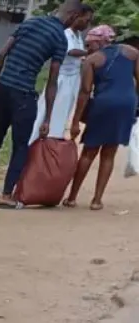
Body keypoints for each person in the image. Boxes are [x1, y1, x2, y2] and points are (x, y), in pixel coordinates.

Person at [0, 0, 95, 207]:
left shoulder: (30, 23)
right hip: (24, 95)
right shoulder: (59, 38)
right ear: (73, 16)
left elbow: (1, 55)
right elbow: (52, 80)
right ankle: (7, 195)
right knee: (21, 146)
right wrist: (47, 118)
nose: (84, 24)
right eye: (84, 20)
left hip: (4, 89)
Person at [65, 29, 139, 209]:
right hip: (126, 105)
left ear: (99, 42)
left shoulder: (91, 60)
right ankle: (97, 200)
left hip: (103, 104)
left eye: (89, 44)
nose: (87, 48)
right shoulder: (132, 53)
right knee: (109, 153)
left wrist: (75, 122)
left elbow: (85, 92)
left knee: (88, 152)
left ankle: (72, 197)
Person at [32, 13, 91, 143]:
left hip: (73, 78)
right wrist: (90, 52)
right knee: (50, 111)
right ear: (77, 17)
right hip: (61, 79)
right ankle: (36, 143)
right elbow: (70, 51)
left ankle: (52, 143)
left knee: (62, 113)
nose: (87, 24)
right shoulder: (66, 33)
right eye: (86, 20)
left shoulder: (78, 36)